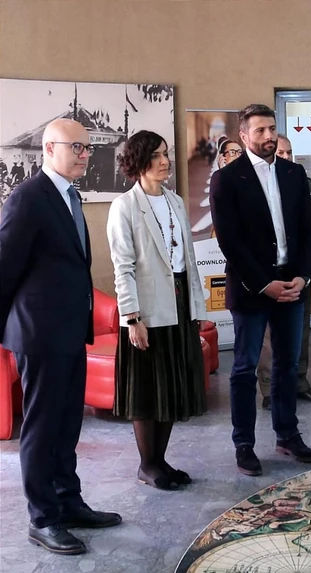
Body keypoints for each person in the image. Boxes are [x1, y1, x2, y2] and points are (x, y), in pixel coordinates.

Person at [0, 118, 121, 555]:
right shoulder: (28, 198)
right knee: (42, 428)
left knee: (68, 424)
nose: (85, 155)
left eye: (88, 148)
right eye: (77, 147)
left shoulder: (69, 195)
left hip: (70, 332)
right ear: (49, 149)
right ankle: (44, 519)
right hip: (39, 336)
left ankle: (69, 503)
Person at [210, 104, 311, 476]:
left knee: (287, 365)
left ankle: (287, 434)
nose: (269, 136)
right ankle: (244, 443)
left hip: (291, 284)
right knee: (244, 368)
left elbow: (308, 229)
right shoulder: (227, 179)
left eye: (272, 128)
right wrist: (263, 284)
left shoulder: (293, 172)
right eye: (260, 130)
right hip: (251, 287)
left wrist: (303, 275)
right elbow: (230, 242)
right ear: (244, 135)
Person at [106, 130, 208, 490]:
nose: (165, 161)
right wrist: (132, 318)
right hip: (146, 310)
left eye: (166, 154)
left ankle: (160, 461)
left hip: (178, 303)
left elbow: (187, 260)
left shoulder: (175, 201)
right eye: (156, 155)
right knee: (148, 389)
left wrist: (196, 307)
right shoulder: (124, 206)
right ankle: (147, 465)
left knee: (172, 386)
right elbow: (123, 268)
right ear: (139, 161)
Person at [256, 134, 311, 409]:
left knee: (300, 329)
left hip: (299, 267)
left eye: (289, 152)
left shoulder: (302, 180)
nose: (286, 157)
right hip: (269, 269)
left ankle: (299, 381)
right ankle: (270, 389)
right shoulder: (258, 182)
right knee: (269, 334)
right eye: (281, 152)